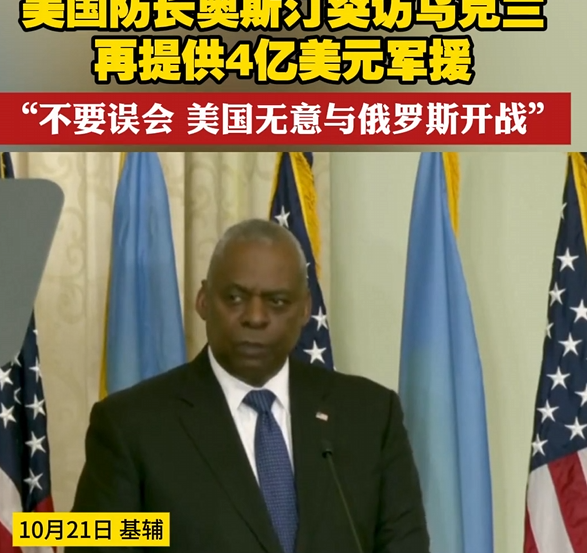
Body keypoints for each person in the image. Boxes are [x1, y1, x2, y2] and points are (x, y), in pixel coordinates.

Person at [68, 219, 430, 553]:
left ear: (305, 309)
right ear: (203, 300)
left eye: (277, 302)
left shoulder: (370, 415)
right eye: (235, 298)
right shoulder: (130, 425)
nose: (255, 318)